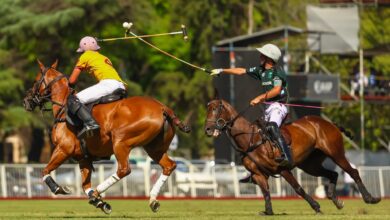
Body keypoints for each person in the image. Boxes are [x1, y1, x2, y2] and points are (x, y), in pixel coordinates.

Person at [210, 43, 292, 168]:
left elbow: (276, 90)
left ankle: (286, 155)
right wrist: (222, 70)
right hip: (268, 107)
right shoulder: (261, 70)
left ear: (269, 58)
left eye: (262, 54)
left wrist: (259, 98)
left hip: (278, 106)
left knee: (271, 127)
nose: (260, 56)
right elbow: (241, 71)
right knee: (257, 132)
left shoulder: (277, 72)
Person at [67, 36, 127, 138]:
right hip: (121, 85)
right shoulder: (104, 57)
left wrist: (70, 87)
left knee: (74, 100)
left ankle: (91, 123)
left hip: (108, 84)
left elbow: (72, 80)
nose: (81, 53)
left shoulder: (85, 56)